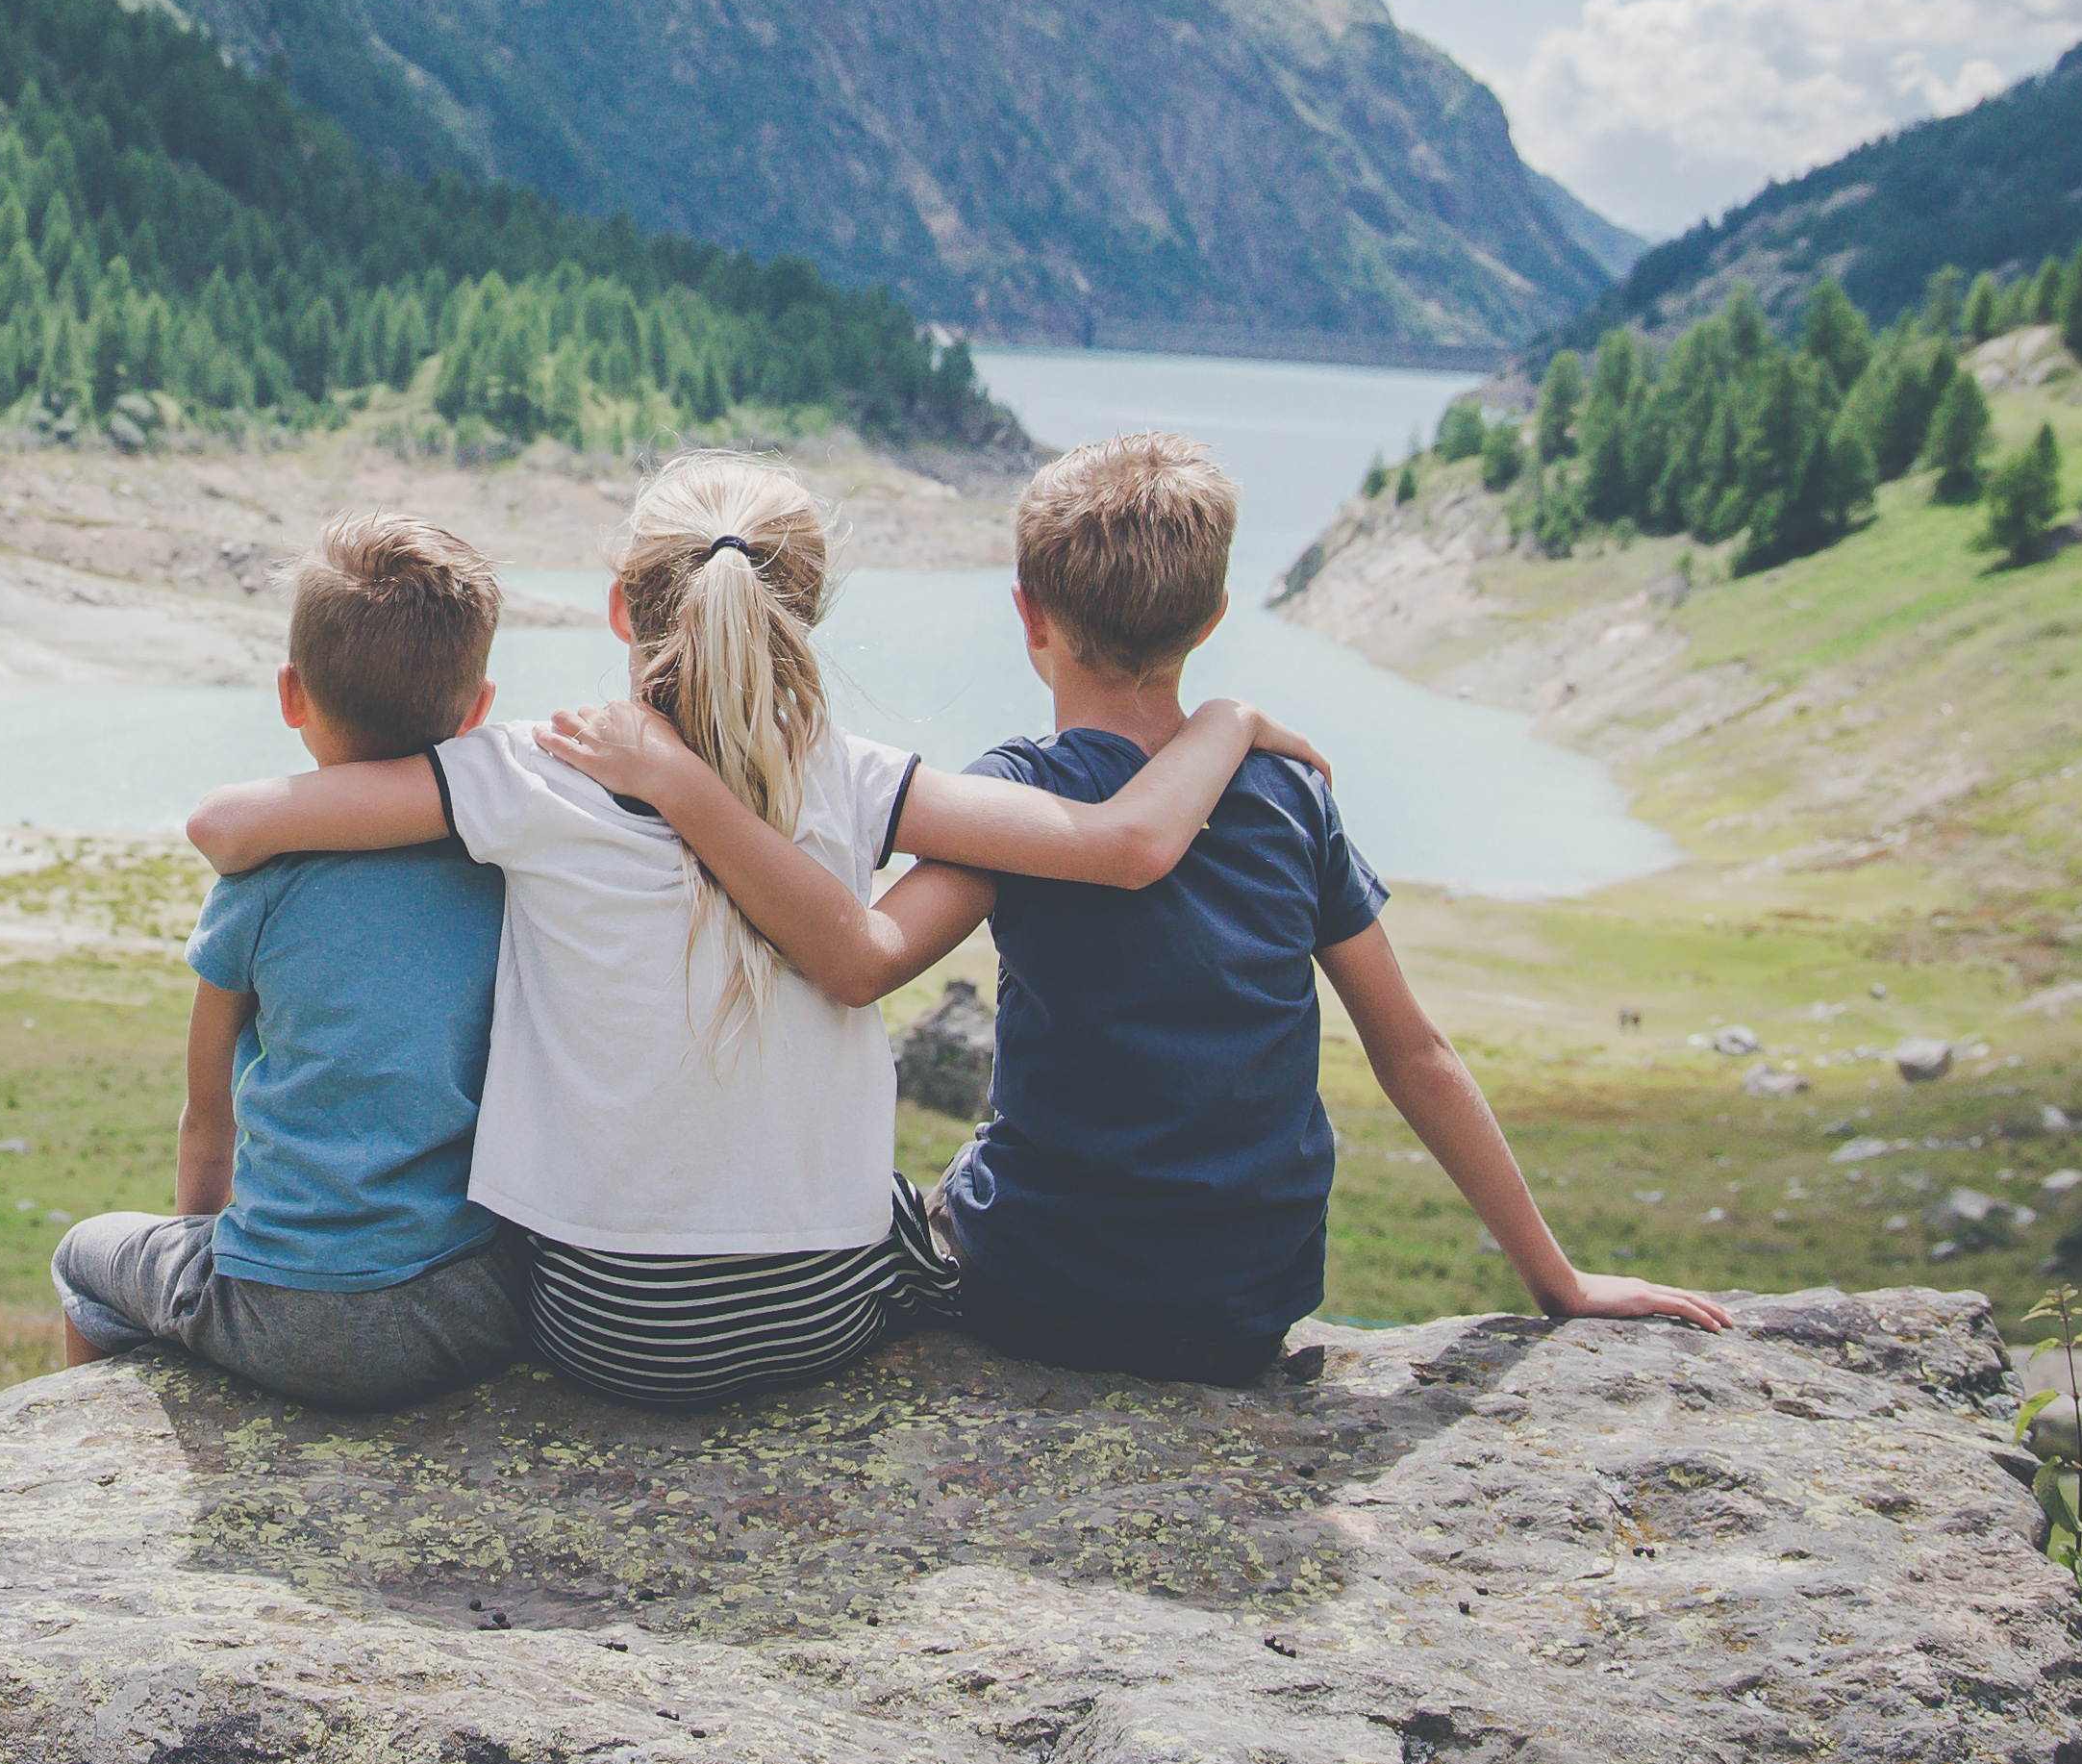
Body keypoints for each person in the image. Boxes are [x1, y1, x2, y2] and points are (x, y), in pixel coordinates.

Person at [545, 428, 1733, 1380]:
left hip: (1038, 1294)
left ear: (1028, 615)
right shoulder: (1290, 798)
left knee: (899, 1208)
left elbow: (862, 955)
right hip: (1243, 1311)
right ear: (1211, 619)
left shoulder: (1018, 796)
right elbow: (1412, 1052)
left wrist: (682, 786)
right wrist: (1555, 1279)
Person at [184, 451, 1306, 1409]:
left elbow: (227, 823)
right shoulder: (857, 777)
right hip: (824, 1309)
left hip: (598, 1321)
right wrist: (1227, 719)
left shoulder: (527, 766)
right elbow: (1127, 845)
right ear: (799, 615)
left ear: (619, 607)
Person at [53, 514, 534, 1408]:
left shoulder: (260, 883)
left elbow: (209, 1117)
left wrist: (200, 1247)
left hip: (289, 1318)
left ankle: (89, 1443)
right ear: (478, 708)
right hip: (479, 1306)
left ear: (290, 694)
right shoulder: (510, 868)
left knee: (83, 1257)